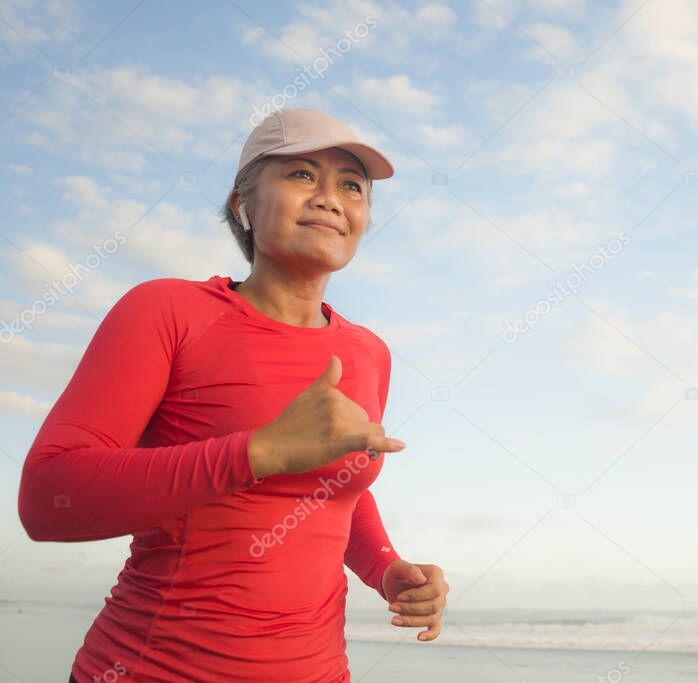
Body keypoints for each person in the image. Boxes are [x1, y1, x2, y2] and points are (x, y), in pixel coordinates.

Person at [17, 107, 449, 682]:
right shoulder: (167, 311)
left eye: (351, 185)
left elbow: (335, 486)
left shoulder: (369, 352)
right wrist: (258, 452)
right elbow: (48, 499)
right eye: (301, 175)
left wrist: (387, 568)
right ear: (242, 205)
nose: (329, 197)